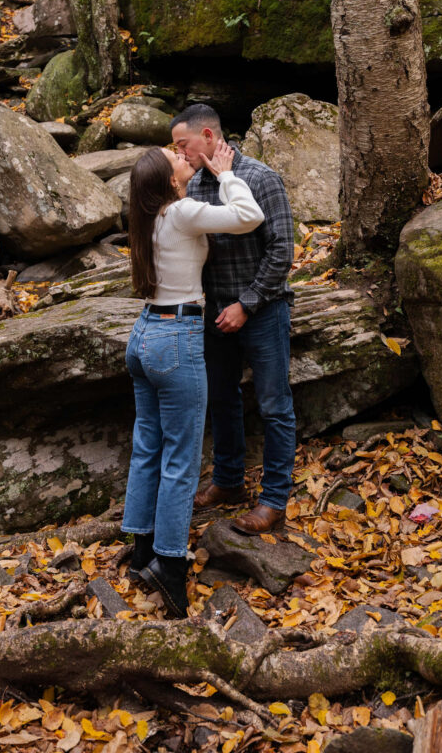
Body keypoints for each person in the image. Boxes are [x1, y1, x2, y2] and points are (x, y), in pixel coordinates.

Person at [122, 140, 264, 617]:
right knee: (181, 459)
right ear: (168, 181)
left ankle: (141, 552)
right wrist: (225, 173)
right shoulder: (180, 211)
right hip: (176, 338)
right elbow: (248, 215)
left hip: (143, 335)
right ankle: (168, 564)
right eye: (174, 158)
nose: (182, 156)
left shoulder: (148, 219)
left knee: (148, 448)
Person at [171, 103, 296, 535]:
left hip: (263, 311)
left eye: (182, 145)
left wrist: (247, 303)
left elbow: (282, 251)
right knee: (220, 399)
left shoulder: (260, 178)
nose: (180, 154)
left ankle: (275, 500)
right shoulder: (195, 184)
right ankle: (228, 482)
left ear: (208, 136)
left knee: (274, 405)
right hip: (213, 312)